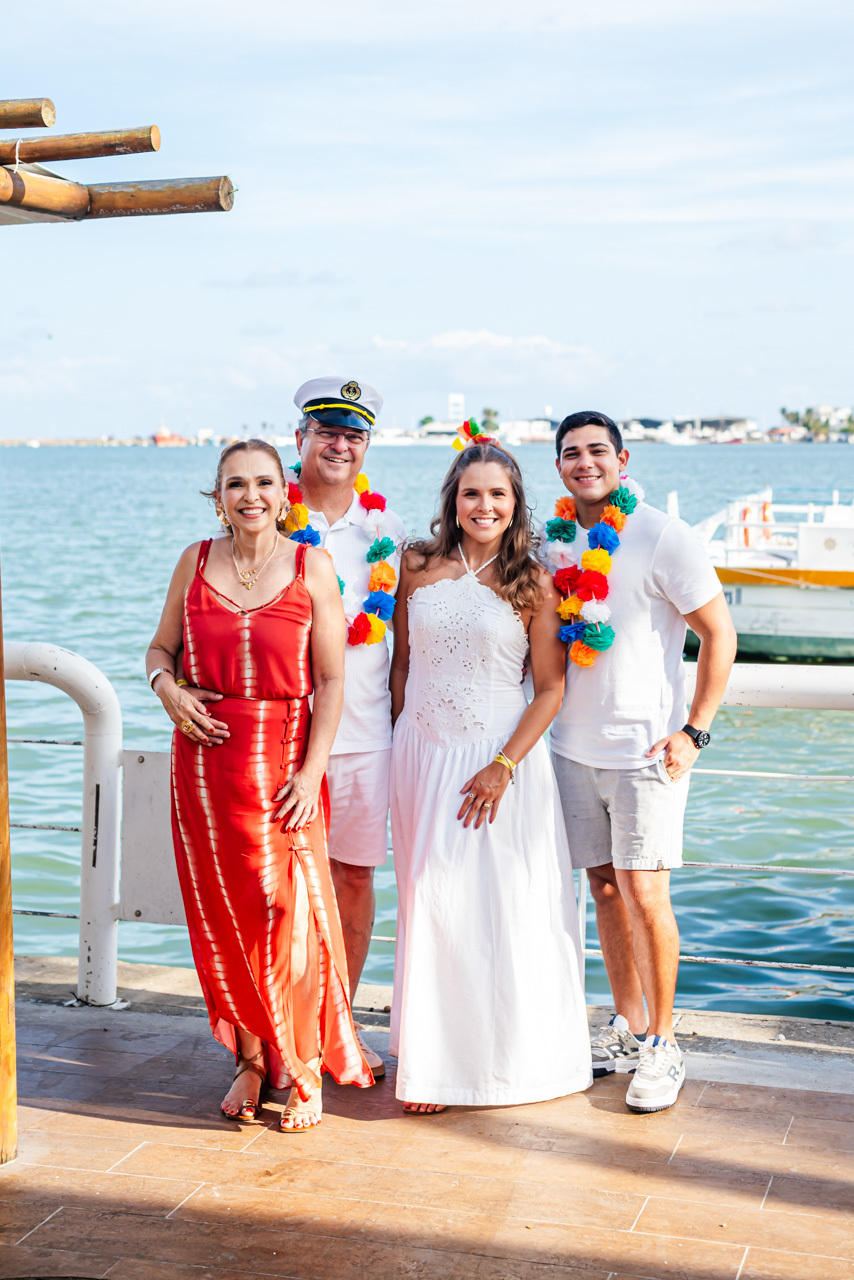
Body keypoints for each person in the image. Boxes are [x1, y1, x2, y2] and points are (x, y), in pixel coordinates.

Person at [146, 438, 373, 1132]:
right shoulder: (195, 560)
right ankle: (249, 1059)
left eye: (264, 483)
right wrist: (168, 690)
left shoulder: (313, 566)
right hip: (206, 771)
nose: (250, 496)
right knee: (224, 916)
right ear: (217, 495)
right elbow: (160, 649)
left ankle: (302, 1068)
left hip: (283, 771)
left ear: (285, 492)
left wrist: (312, 772)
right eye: (235, 484)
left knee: (289, 919)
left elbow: (334, 680)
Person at [389, 435, 592, 1113]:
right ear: (453, 499)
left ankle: (507, 1061)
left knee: (499, 909)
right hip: (421, 754)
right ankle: (436, 1063)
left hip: (497, 762)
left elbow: (550, 691)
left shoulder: (531, 579)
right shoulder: (415, 565)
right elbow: (401, 667)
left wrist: (503, 767)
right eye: (471, 493)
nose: (484, 505)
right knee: (431, 905)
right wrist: (401, 740)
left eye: (497, 495)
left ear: (516, 504)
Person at [544, 410, 737, 1113]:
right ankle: (627, 1028)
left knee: (646, 895)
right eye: (571, 453)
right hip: (569, 749)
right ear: (559, 467)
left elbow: (719, 634)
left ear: (622, 459)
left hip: (646, 754)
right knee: (602, 889)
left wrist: (695, 731)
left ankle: (663, 1043)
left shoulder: (662, 535)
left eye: (598, 450)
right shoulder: (555, 540)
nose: (585, 461)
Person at [284, 376, 405, 1080]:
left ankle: (339, 1029)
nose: (339, 444)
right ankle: (277, 1032)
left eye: (353, 434)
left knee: (353, 881)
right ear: (300, 437)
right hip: (282, 737)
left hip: (364, 738)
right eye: (326, 430)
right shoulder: (265, 517)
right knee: (279, 889)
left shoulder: (386, 536)